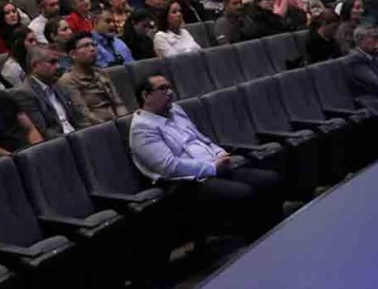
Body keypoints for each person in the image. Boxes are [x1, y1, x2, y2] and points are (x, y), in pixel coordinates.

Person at [129, 75, 282, 240]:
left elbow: (200, 138)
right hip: (187, 184)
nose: (170, 92)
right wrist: (212, 167)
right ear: (146, 96)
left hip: (215, 169)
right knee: (244, 194)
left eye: (170, 87)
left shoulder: (176, 110)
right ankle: (257, 244)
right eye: (162, 88)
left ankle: (276, 235)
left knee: (271, 180)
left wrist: (219, 152)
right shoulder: (142, 128)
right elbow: (169, 166)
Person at [15, 46, 85, 139]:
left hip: (77, 136)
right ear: (35, 66)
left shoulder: (59, 84)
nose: (58, 66)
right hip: (59, 143)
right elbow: (43, 131)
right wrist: (73, 140)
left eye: (58, 62)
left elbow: (78, 117)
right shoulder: (25, 93)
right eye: (52, 62)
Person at [57, 34, 127, 125]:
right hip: (97, 127)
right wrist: (112, 126)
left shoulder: (101, 73)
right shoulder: (68, 80)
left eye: (94, 45)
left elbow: (118, 103)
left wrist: (125, 121)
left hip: (117, 121)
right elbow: (84, 114)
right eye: (86, 46)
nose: (92, 49)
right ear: (73, 54)